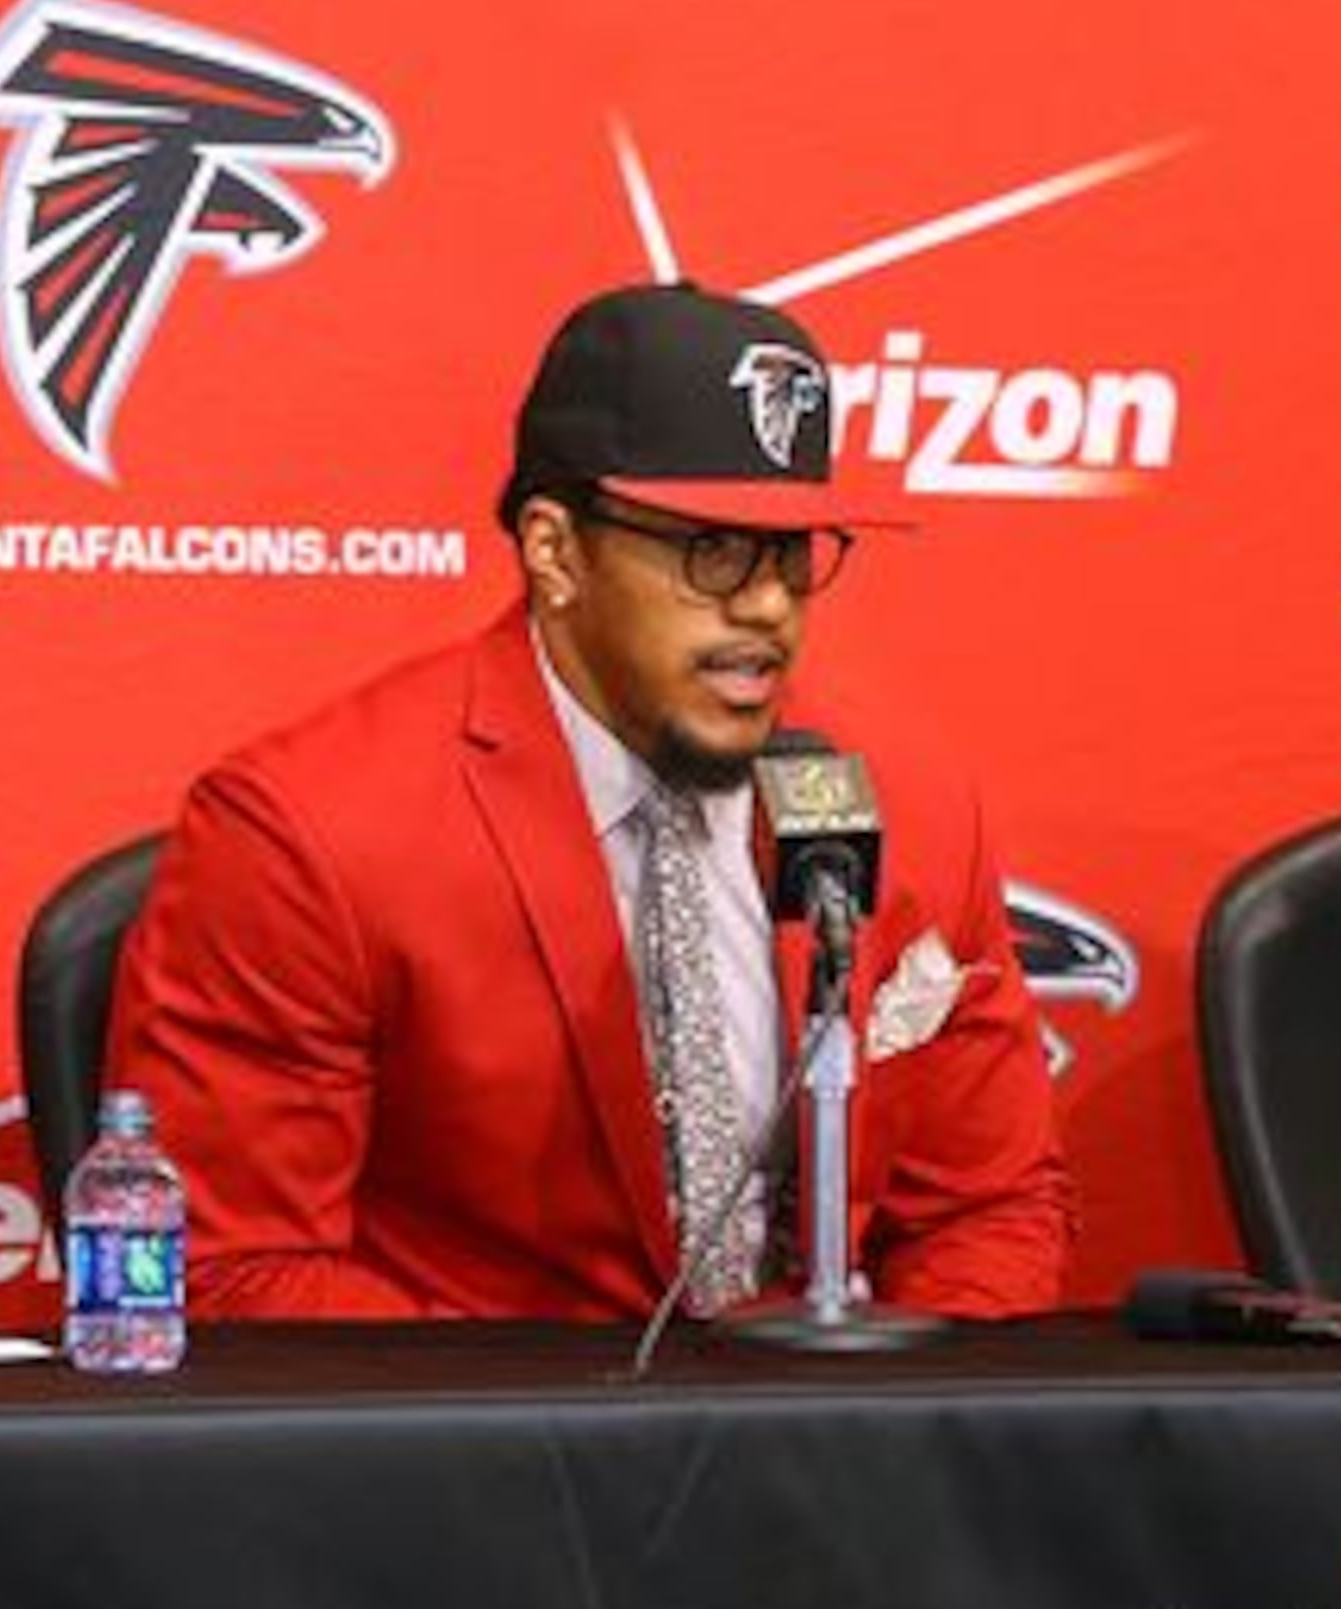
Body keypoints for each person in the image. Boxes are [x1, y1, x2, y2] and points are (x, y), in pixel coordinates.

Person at [104, 281, 1074, 1320]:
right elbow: (230, 1273)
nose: (767, 604)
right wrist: (588, 1444)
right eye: (711, 549)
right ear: (556, 550)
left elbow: (991, 1211)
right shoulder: (310, 834)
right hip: (481, 1461)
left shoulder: (909, 798)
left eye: (793, 554)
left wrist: (888, 1436)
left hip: (825, 1462)